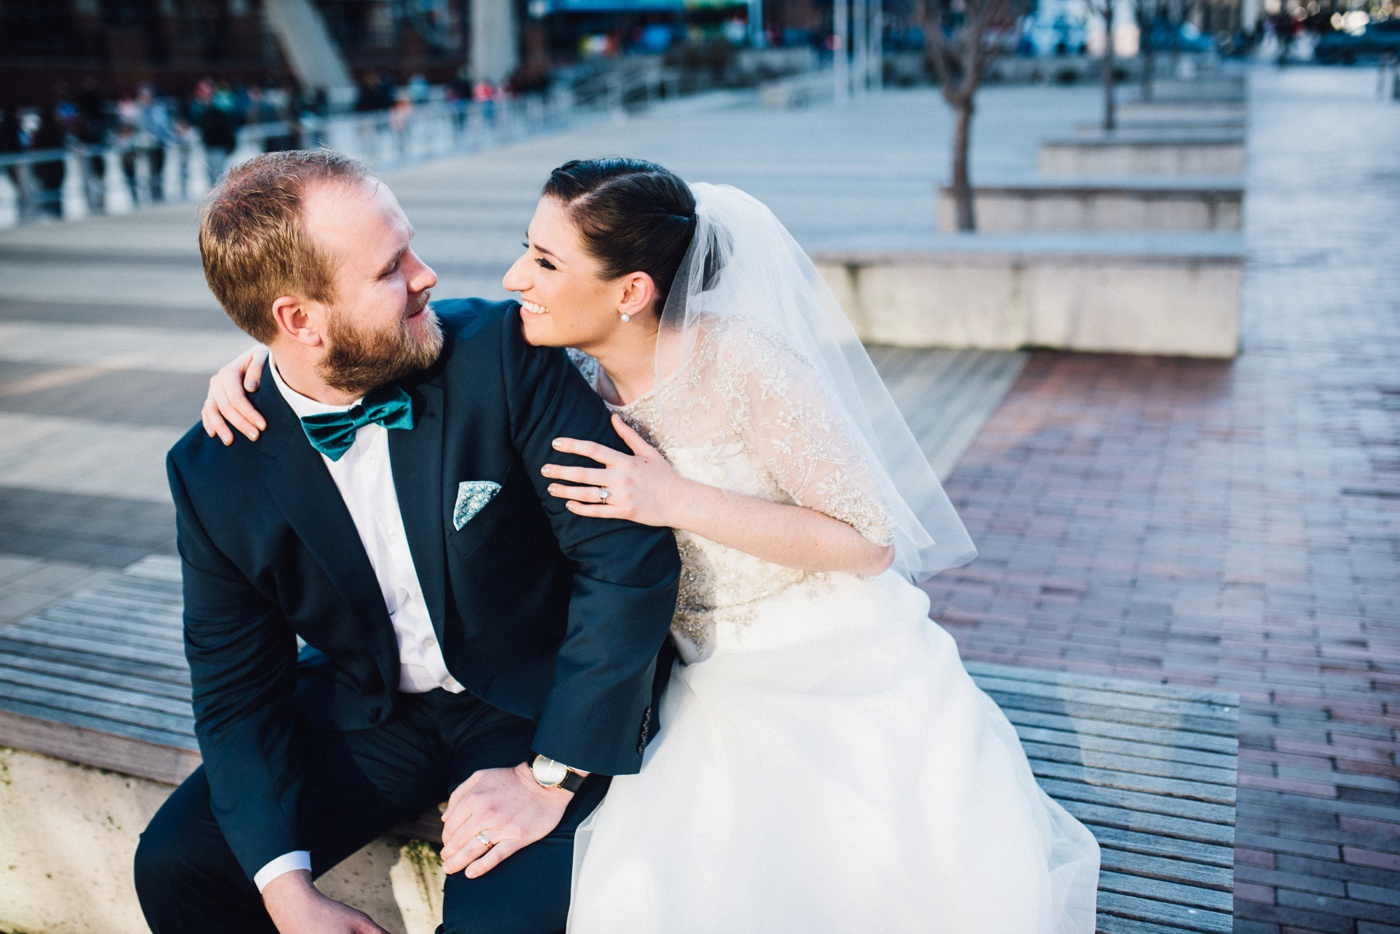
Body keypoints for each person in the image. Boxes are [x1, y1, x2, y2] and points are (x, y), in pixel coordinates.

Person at [206, 158, 1101, 931]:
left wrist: (677, 498)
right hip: (685, 658)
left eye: (545, 260)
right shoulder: (558, 358)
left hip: (816, 650)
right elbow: (373, 352)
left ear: (630, 291)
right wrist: (272, 371)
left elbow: (869, 543)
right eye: (526, 245)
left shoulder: (739, 361)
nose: (516, 276)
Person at [136, 150, 681, 934]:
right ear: (298, 320)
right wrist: (290, 898)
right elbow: (234, 695)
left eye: (411, 247)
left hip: (529, 698)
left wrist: (551, 775)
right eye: (392, 268)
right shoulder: (214, 469)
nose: (427, 275)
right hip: (368, 710)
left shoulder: (498, 353)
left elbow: (622, 563)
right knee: (176, 868)